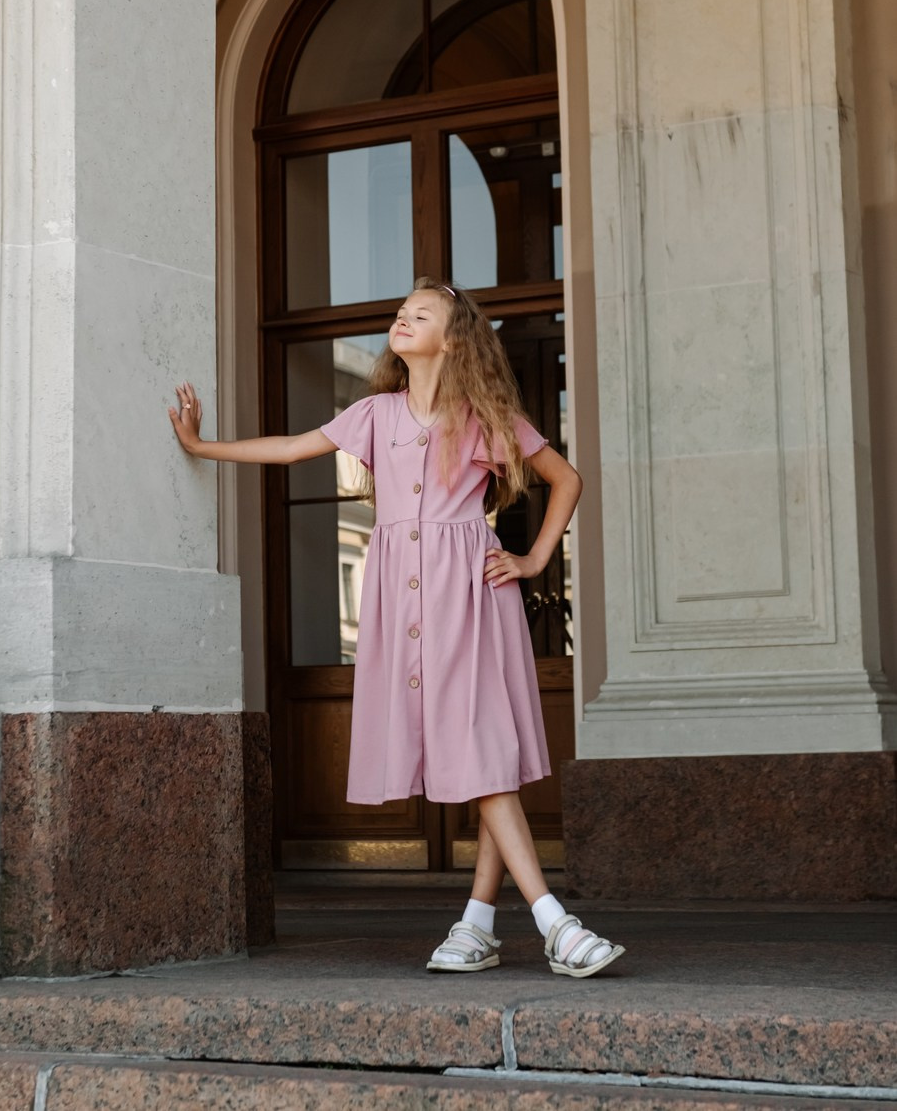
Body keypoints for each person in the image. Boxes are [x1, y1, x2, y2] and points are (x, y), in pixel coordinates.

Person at [168, 276, 624, 979]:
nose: (403, 319)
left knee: (484, 756)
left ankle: (552, 924)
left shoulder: (484, 416)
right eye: (402, 312)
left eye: (422, 314)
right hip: (404, 605)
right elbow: (290, 449)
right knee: (488, 762)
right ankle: (478, 926)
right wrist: (203, 448)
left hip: (471, 599)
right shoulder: (375, 413)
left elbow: (566, 478)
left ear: (454, 340)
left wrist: (534, 559)